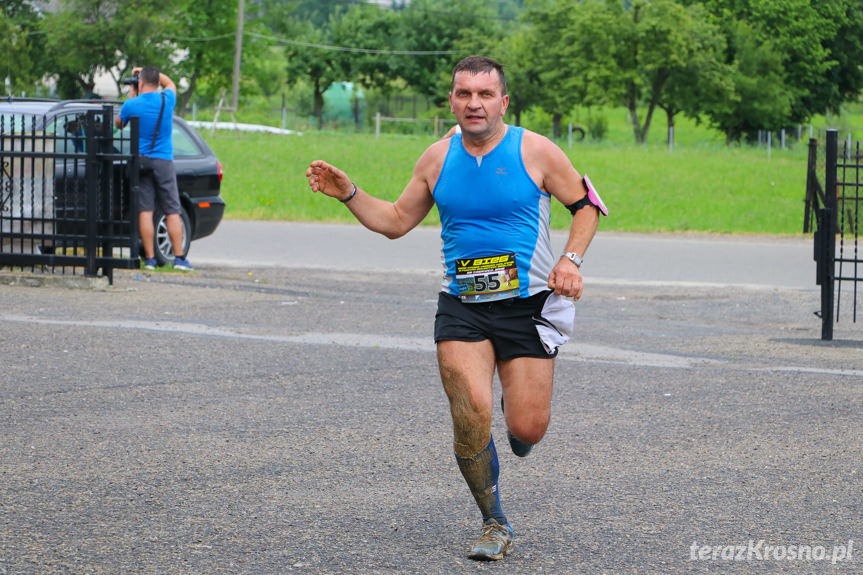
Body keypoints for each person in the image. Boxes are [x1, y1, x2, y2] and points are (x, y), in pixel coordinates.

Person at [305, 55, 604, 561]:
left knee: (527, 429)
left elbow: (586, 206)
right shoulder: (436, 158)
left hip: (527, 305)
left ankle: (517, 418)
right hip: (462, 306)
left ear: (503, 101)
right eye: (464, 94)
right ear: (451, 100)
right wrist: (349, 193)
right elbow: (397, 220)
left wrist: (571, 260)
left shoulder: (536, 150)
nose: (474, 103)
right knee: (471, 410)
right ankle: (495, 522)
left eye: (485, 94)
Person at [114, 66, 193, 272]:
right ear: (157, 83)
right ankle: (179, 258)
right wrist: (147, 72)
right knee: (171, 209)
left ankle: (149, 260)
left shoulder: (132, 104)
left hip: (140, 160)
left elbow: (118, 124)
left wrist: (132, 93)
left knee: (145, 210)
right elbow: (170, 84)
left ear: (139, 84)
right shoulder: (167, 100)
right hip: (163, 160)